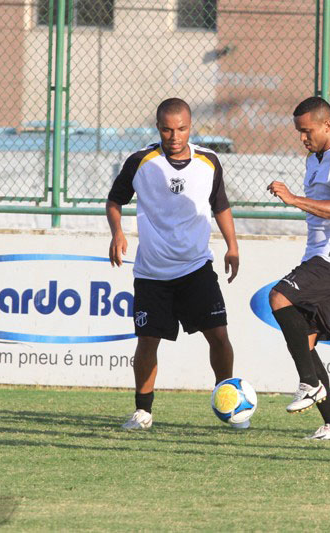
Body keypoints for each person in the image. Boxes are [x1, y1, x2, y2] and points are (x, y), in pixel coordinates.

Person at [106, 98, 242, 430]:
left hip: (196, 269)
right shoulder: (141, 162)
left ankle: (229, 403)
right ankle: (143, 412)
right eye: (167, 129)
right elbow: (114, 200)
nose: (174, 136)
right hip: (152, 273)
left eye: (181, 129)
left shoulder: (209, 161)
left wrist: (233, 246)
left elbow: (220, 205)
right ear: (158, 128)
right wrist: (117, 233)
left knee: (219, 337)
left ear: (190, 127)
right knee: (148, 342)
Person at [266, 96, 330, 441]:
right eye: (299, 132)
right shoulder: (314, 159)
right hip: (320, 255)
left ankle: (309, 384)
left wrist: (294, 199)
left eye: (306, 131)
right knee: (306, 344)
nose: (302, 139)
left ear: (327, 125)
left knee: (279, 297)